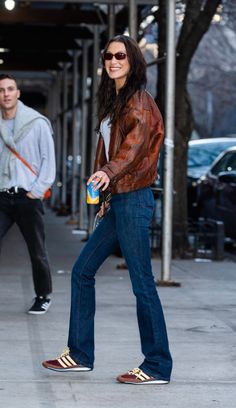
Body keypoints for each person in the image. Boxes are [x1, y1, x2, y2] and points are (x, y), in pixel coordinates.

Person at [42, 35, 172, 384]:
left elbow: (131, 150)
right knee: (82, 271)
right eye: (108, 55)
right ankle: (80, 354)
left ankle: (157, 365)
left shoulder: (140, 104)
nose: (113, 60)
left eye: (120, 55)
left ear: (133, 61)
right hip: (120, 201)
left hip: (135, 200)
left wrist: (107, 172)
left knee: (142, 283)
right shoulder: (117, 100)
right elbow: (111, 148)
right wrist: (106, 195)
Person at [0, 74, 56, 314]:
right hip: (2, 196)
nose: (6, 94)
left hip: (27, 196)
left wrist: (37, 190)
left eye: (10, 89)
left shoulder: (37, 123)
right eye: (1, 90)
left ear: (18, 93)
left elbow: (48, 160)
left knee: (37, 250)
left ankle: (43, 295)